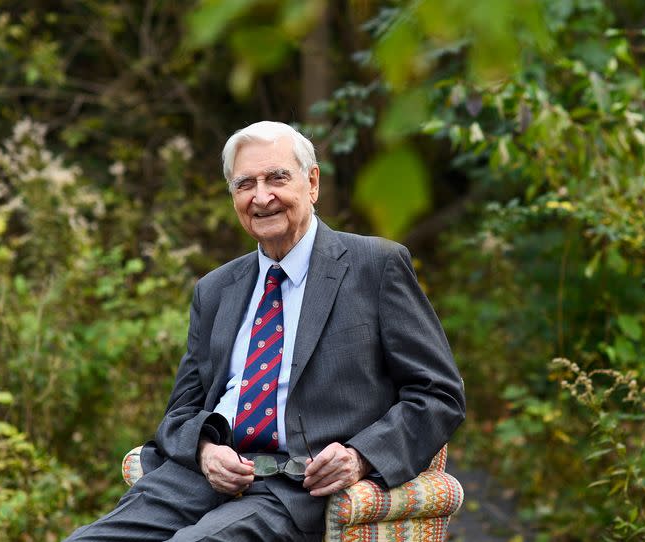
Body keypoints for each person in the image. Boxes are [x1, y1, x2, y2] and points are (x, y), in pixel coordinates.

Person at [66, 121, 466, 541]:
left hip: (296, 486)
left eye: (276, 177)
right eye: (245, 184)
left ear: (311, 183)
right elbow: (179, 413)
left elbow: (439, 394)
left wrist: (360, 456)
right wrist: (204, 451)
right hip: (200, 479)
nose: (261, 197)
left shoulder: (374, 266)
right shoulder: (216, 289)